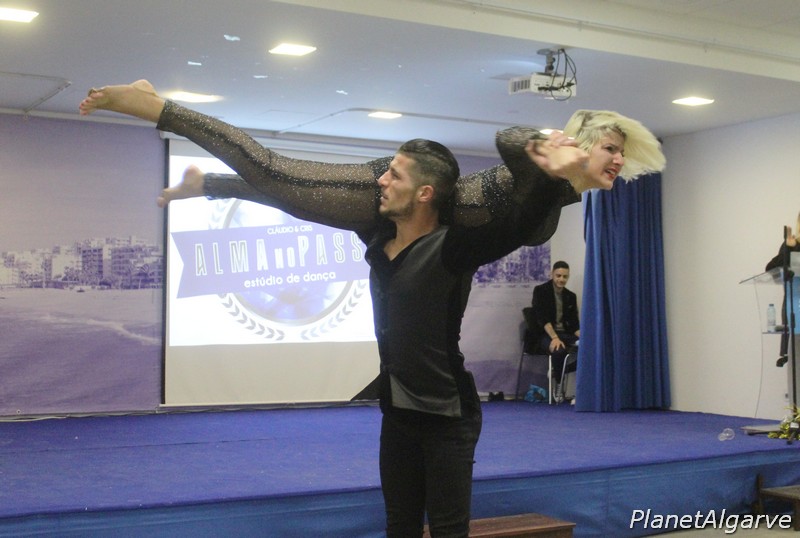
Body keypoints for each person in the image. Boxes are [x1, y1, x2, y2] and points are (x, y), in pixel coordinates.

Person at [79, 81, 665, 537]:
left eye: (621, 152)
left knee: (288, 187)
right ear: (581, 141)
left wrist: (211, 186)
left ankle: (192, 155)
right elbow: (510, 140)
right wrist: (544, 146)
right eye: (610, 148)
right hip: (409, 374)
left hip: (441, 405)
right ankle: (158, 106)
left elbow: (517, 214)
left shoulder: (543, 203)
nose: (617, 160)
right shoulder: (533, 176)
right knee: (277, 174)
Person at [530, 261, 580, 401]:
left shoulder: (570, 296)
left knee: (590, 349)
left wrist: (584, 338)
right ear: (552, 274)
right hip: (545, 334)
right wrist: (554, 338)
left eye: (565, 276)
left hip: (566, 334)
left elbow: (574, 324)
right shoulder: (540, 291)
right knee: (559, 351)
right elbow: (542, 319)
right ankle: (558, 384)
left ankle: (558, 371)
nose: (561, 279)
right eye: (558, 275)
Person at [765, 213, 800, 366]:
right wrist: (789, 248)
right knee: (797, 366)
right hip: (796, 314)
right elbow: (771, 269)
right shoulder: (792, 244)